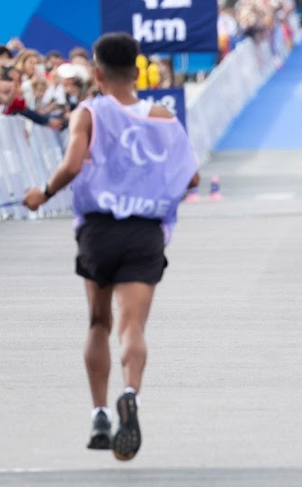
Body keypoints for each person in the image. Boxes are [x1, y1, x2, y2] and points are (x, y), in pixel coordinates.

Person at [22, 33, 198, 462]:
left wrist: (43, 193)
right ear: (137, 72)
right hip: (145, 230)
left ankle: (100, 413)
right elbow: (192, 176)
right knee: (132, 327)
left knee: (98, 322)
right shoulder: (164, 118)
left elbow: (72, 164)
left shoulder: (89, 112)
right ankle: (131, 393)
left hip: (99, 230)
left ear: (97, 75)